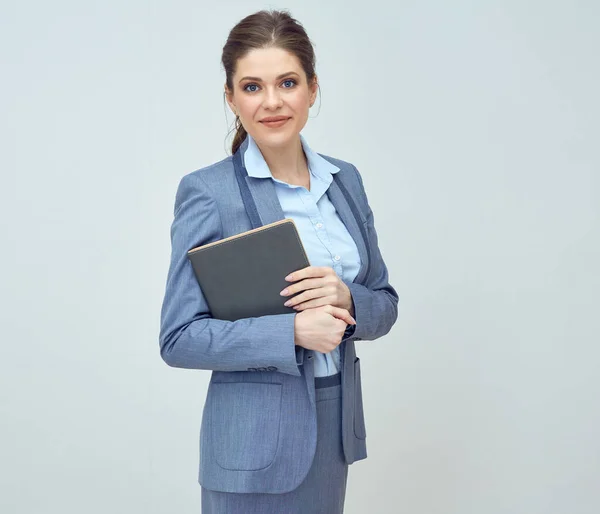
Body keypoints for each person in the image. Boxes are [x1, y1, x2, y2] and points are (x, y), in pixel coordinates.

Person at [158, 9, 399, 514]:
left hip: (333, 429)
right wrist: (291, 332)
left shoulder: (345, 181)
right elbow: (178, 339)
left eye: (287, 82)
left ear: (312, 89)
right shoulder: (209, 192)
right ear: (231, 98)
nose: (271, 102)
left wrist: (347, 299)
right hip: (250, 446)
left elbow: (385, 305)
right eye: (251, 87)